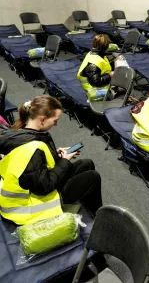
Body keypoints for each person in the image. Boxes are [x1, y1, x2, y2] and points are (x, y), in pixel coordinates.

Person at [0, 96, 102, 225]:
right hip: (31, 206)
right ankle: (99, 220)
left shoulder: (22, 133)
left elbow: (36, 168)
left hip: (35, 186)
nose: (56, 124)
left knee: (86, 164)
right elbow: (44, 187)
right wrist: (64, 161)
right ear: (43, 119)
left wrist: (56, 156)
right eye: (55, 121)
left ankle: (89, 210)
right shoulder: (32, 148)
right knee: (92, 177)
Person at [77, 34, 114, 102]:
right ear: (105, 47)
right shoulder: (94, 63)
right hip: (93, 91)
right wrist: (109, 75)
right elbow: (96, 82)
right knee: (118, 92)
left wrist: (115, 61)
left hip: (96, 83)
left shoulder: (93, 53)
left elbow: (103, 66)